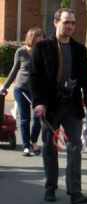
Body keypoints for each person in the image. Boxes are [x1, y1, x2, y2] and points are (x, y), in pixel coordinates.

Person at [29, 8, 87, 204]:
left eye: (73, 23)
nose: (70, 26)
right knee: (50, 147)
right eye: (66, 22)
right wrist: (38, 102)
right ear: (56, 22)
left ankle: (75, 192)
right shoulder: (42, 47)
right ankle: (50, 187)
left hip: (72, 105)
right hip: (49, 106)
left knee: (75, 146)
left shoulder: (79, 49)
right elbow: (34, 77)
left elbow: (86, 81)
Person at [0, 27, 44, 156]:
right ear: (32, 38)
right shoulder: (21, 52)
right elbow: (14, 70)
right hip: (21, 89)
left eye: (42, 36)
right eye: (38, 36)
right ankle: (26, 146)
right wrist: (5, 86)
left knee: (38, 118)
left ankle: (33, 141)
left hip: (37, 90)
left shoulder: (43, 52)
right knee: (25, 118)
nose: (41, 39)